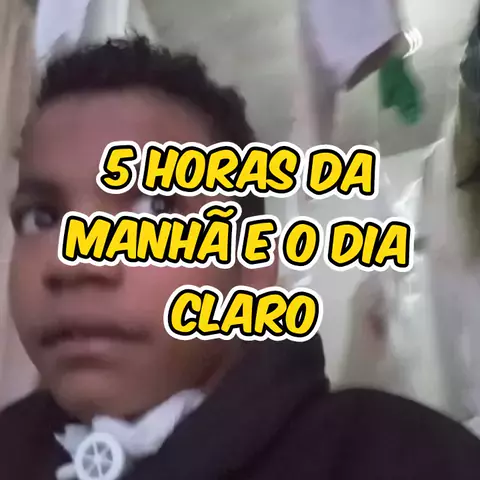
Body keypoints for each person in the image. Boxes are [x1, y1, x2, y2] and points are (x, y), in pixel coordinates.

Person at [1, 36, 480, 480]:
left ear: (253, 269)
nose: (73, 263)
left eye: (155, 208)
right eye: (42, 218)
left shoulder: (407, 458)